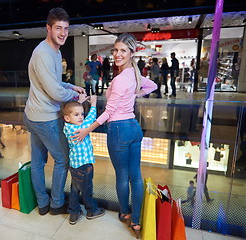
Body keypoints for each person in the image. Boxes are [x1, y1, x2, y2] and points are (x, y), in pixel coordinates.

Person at [72, 33, 157, 239]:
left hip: (118, 130)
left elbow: (108, 113)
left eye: (123, 51)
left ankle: (125, 212)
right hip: (134, 127)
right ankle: (136, 221)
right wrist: (133, 94)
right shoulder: (134, 76)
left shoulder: (120, 80)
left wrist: (86, 130)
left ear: (131, 53)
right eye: (115, 50)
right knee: (135, 176)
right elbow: (152, 86)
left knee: (122, 176)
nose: (117, 54)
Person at [23, 7, 86, 216]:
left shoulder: (54, 51)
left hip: (34, 115)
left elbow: (53, 82)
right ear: (48, 28)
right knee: (63, 160)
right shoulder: (43, 53)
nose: (63, 33)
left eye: (66, 29)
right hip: (45, 118)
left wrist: (70, 87)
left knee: (38, 162)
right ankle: (56, 204)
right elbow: (53, 91)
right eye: (58, 28)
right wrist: (76, 97)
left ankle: (42, 204)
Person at [62, 96, 105, 225]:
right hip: (84, 166)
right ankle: (91, 210)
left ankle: (74, 212)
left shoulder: (67, 127)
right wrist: (93, 104)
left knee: (75, 189)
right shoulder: (78, 129)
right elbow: (91, 120)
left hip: (75, 166)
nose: (81, 117)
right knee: (87, 190)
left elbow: (72, 114)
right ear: (67, 118)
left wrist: (78, 103)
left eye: (82, 114)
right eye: (77, 115)